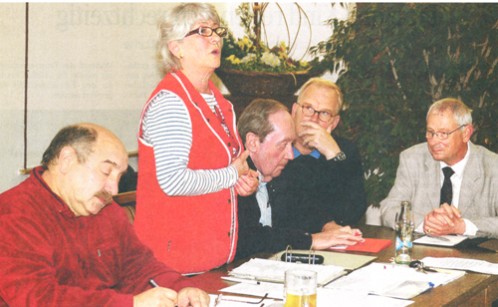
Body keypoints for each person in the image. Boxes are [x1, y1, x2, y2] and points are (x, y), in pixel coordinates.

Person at [0, 123, 209, 307]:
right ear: (66, 159)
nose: (114, 189)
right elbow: (38, 299)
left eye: (119, 177)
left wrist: (181, 288)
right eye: (107, 172)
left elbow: (139, 266)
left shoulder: (106, 211)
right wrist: (130, 304)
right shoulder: (15, 213)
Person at [133, 3, 258, 274]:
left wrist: (242, 181)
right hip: (174, 264)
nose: (215, 38)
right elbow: (173, 181)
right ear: (176, 47)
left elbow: (227, 169)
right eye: (202, 31)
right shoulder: (171, 103)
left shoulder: (221, 103)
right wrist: (231, 176)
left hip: (215, 258)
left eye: (217, 31)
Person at [236, 98, 364, 259]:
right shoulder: (235, 178)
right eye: (283, 145)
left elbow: (304, 207)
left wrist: (328, 226)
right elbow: (249, 239)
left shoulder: (283, 172)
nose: (290, 155)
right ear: (253, 142)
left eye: (291, 144)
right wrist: (310, 240)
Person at [380, 98, 498, 238]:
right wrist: (425, 223)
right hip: (423, 253)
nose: (434, 141)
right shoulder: (412, 159)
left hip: (474, 255)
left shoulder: (492, 165)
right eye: (431, 132)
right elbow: (389, 208)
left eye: (443, 134)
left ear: (466, 133)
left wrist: (461, 226)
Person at [269, 78, 367, 234]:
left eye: (325, 113)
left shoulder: (345, 152)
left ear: (334, 123)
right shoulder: (274, 146)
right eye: (308, 108)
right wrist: (324, 224)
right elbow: (281, 210)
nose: (314, 118)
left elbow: (351, 213)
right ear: (294, 111)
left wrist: (334, 156)